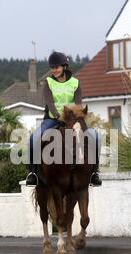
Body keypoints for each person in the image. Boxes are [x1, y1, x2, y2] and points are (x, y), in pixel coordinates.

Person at [25, 52, 102, 187]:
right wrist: (57, 115)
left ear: (64, 67)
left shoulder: (75, 83)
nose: (54, 70)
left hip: (73, 119)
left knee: (96, 137)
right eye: (52, 68)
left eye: (57, 67)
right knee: (33, 139)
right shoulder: (48, 83)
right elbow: (49, 102)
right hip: (53, 119)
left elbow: (78, 104)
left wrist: (73, 117)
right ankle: (33, 173)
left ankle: (94, 172)